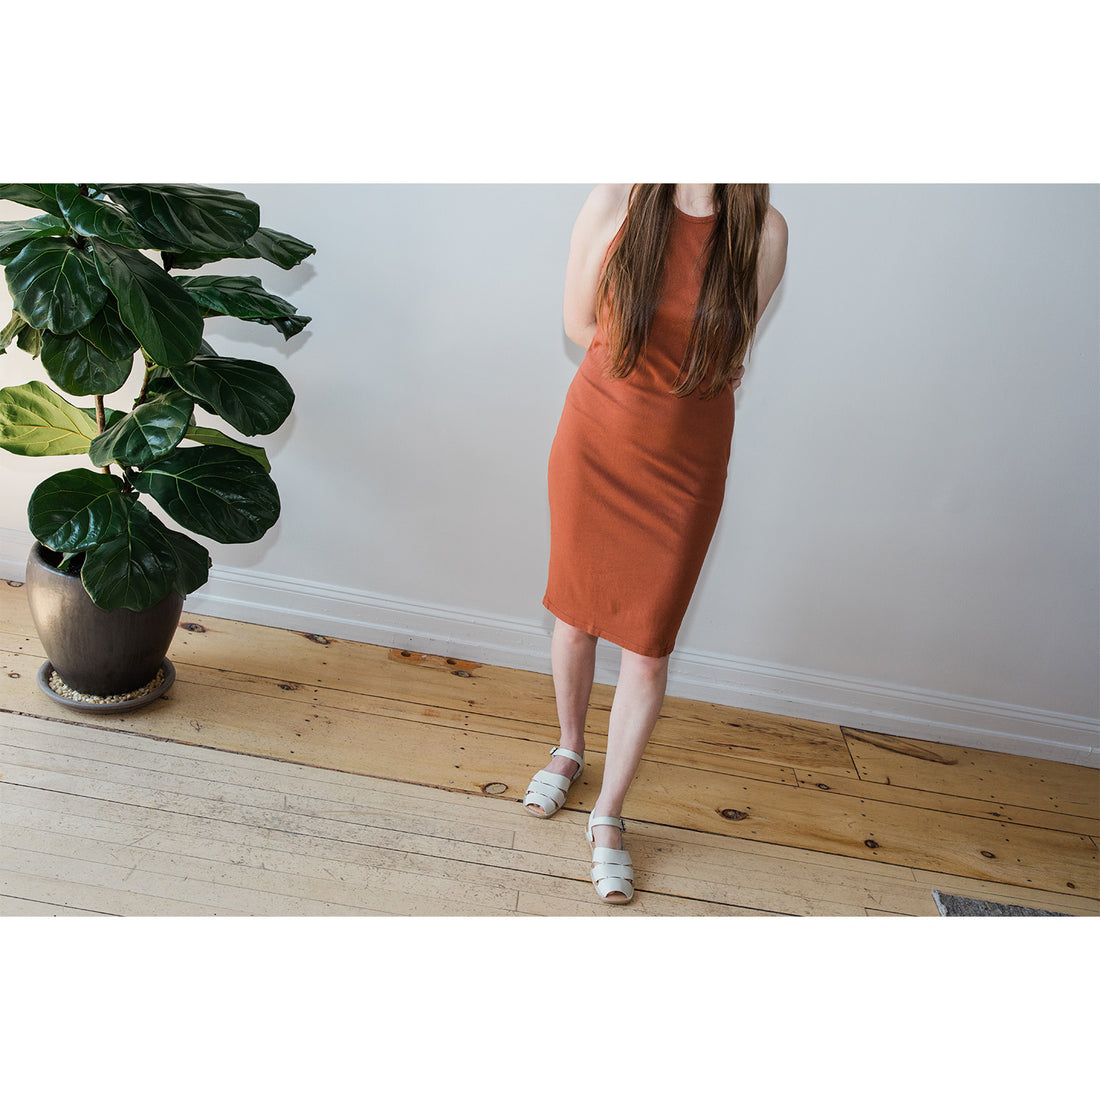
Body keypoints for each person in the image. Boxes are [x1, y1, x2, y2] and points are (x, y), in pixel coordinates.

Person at [523, 183, 788, 904]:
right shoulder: (617, 200)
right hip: (597, 440)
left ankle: (609, 814)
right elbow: (579, 323)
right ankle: (569, 748)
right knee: (575, 613)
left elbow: (730, 352)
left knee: (648, 644)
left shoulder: (763, 232)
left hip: (686, 464)